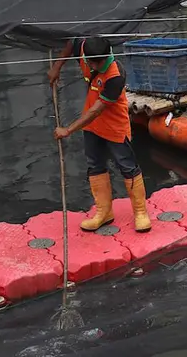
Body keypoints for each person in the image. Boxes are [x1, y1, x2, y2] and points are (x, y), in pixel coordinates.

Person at [48, 36, 150, 233]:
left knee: (127, 166)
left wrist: (68, 130)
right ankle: (104, 212)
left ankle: (140, 212)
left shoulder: (116, 75)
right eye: (90, 61)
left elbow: (96, 110)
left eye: (97, 63)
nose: (92, 65)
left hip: (113, 125)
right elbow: (71, 43)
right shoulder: (86, 50)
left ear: (106, 58)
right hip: (92, 126)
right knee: (95, 165)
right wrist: (56, 67)